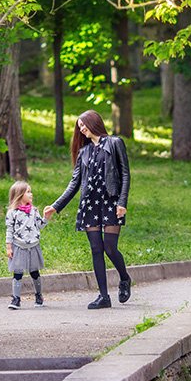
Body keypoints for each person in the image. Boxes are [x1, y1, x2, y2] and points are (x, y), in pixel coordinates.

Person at [44, 110, 131, 310]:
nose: (82, 129)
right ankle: (103, 296)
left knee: (110, 247)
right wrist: (56, 206)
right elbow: (74, 184)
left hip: (110, 202)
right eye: (79, 127)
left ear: (94, 122)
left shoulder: (114, 143)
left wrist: (122, 202)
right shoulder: (84, 152)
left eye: (84, 124)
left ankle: (124, 278)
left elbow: (125, 175)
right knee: (95, 249)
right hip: (90, 205)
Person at [6, 181, 51, 310]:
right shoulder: (12, 213)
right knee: (18, 273)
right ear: (19, 195)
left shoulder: (34, 211)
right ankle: (16, 299)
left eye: (31, 191)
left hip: (33, 246)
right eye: (28, 191)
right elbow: (9, 230)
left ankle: (38, 296)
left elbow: (40, 225)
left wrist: (46, 217)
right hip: (19, 246)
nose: (31, 194)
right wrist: (9, 247)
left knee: (34, 272)